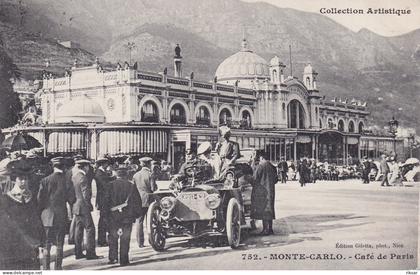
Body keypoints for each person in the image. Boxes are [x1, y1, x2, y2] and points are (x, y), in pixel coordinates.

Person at [0, 160, 44, 270]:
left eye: (26, 179)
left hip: (31, 246)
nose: (24, 182)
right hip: (13, 246)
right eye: (21, 179)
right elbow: (5, 227)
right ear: (15, 180)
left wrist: (42, 241)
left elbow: (37, 219)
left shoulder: (31, 198)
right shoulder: (6, 200)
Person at [37, 157, 76, 270]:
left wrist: (42, 212)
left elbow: (40, 200)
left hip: (47, 217)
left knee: (46, 245)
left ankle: (45, 268)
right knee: (59, 245)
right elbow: (71, 199)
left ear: (53, 167)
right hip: (61, 216)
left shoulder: (45, 180)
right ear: (63, 167)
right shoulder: (67, 180)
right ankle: (58, 268)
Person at [105, 167, 141, 266]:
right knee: (125, 238)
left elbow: (105, 201)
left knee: (112, 237)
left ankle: (113, 258)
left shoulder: (110, 185)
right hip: (127, 216)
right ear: (126, 175)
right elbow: (137, 201)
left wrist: (105, 215)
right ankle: (124, 260)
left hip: (113, 215)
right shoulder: (131, 186)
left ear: (116, 175)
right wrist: (136, 215)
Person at [72, 159, 99, 259]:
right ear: (85, 167)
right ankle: (90, 253)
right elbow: (86, 194)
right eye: (88, 166)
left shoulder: (74, 177)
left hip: (76, 206)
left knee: (78, 230)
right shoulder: (83, 178)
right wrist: (88, 205)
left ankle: (78, 252)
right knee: (90, 229)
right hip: (83, 206)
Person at [250, 151, 278, 235]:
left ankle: (265, 230)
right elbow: (276, 180)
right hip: (271, 190)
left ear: (261, 158)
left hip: (262, 191)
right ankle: (270, 229)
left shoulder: (260, 166)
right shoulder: (272, 166)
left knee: (264, 209)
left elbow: (254, 179)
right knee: (270, 209)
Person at [132, 156, 155, 248]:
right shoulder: (150, 174)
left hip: (138, 199)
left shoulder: (136, 175)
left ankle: (140, 242)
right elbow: (153, 188)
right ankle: (152, 240)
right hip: (148, 198)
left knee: (139, 221)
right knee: (150, 221)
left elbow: (133, 188)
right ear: (149, 164)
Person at [95, 156, 115, 247]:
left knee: (105, 219)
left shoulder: (102, 172)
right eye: (106, 163)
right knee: (103, 220)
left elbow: (107, 180)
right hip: (103, 199)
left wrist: (113, 178)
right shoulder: (99, 173)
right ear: (103, 164)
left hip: (105, 199)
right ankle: (101, 240)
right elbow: (105, 185)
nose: (107, 165)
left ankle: (103, 239)